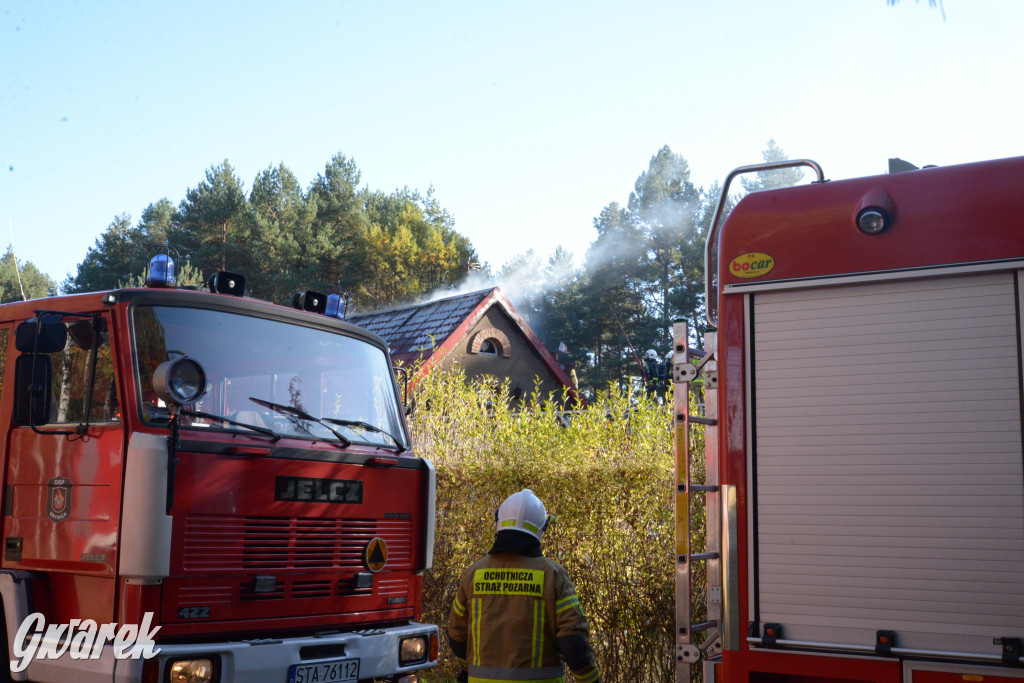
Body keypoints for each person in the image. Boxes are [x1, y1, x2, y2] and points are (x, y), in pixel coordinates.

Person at [447, 489, 600, 683]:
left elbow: (456, 635)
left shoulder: (473, 574)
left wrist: (469, 669)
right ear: (542, 528)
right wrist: (591, 680)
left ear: (499, 521)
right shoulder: (553, 576)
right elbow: (573, 643)